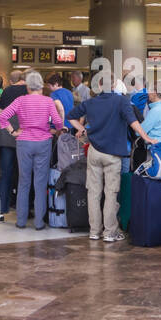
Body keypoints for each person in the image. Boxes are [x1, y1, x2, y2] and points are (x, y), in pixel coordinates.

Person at [66, 75, 146, 240]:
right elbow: (133, 121)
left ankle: (94, 231)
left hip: (94, 151)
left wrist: (83, 129)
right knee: (111, 193)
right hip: (113, 153)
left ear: (99, 85)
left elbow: (70, 116)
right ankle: (110, 232)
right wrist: (146, 136)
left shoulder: (91, 102)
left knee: (93, 193)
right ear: (115, 85)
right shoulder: (121, 101)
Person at [0, 71, 64, 230]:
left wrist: (13, 132)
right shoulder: (48, 101)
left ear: (27, 86)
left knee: (23, 182)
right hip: (43, 143)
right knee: (40, 183)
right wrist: (56, 130)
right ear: (41, 85)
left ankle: (21, 221)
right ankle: (39, 223)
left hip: (24, 142)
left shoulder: (20, 100)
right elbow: (58, 122)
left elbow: (2, 117)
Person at [0, 69, 28, 220]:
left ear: (12, 80)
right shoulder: (32, 91)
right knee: (24, 175)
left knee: (5, 173)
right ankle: (24, 210)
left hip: (7, 135)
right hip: (26, 136)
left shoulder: (7, 91)